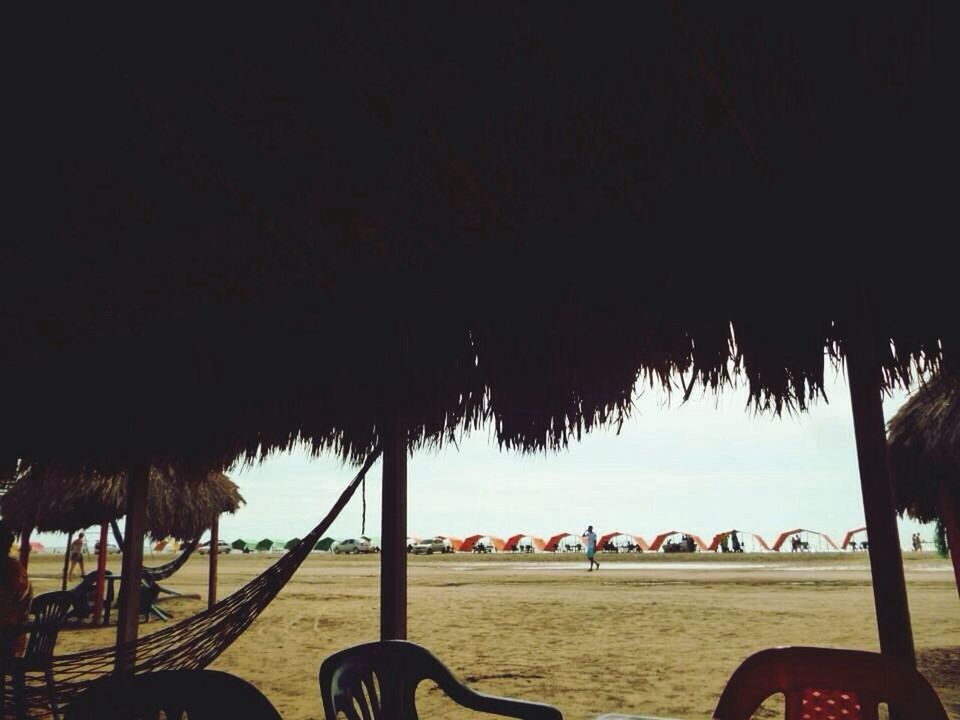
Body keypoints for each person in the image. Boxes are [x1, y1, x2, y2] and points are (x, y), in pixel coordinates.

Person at [0, 519, 32, 658]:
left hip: (8, 640)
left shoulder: (9, 571)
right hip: (13, 636)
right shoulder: (15, 567)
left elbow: (4, 607)